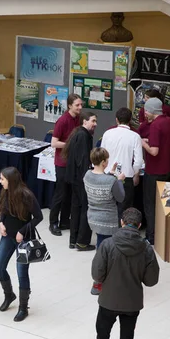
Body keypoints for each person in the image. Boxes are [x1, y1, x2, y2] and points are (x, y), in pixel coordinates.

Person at [81, 208, 159, 339]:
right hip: (132, 304)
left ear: (122, 222)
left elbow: (97, 275)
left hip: (107, 301)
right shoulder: (147, 249)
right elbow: (151, 280)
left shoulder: (108, 244)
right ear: (139, 226)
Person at [0, 167, 43, 322]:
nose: (0, 181)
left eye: (2, 179)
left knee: (22, 273)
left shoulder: (26, 195)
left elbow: (38, 217)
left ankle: (23, 307)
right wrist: (1, 222)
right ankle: (9, 295)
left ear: (11, 180)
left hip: (24, 240)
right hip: (7, 236)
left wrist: (22, 231)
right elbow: (3, 209)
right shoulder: (5, 192)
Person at [141, 98, 170, 245]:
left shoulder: (155, 126)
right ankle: (167, 235)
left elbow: (154, 151)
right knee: (167, 204)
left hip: (153, 171)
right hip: (168, 170)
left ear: (153, 111)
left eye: (147, 110)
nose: (145, 113)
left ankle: (151, 237)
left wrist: (142, 142)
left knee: (150, 205)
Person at [84, 147, 126, 295]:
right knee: (105, 251)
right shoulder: (111, 181)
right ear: (103, 162)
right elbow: (120, 197)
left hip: (93, 218)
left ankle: (102, 278)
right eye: (107, 160)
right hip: (108, 221)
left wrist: (111, 175)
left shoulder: (87, 175)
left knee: (101, 247)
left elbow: (100, 183)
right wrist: (119, 181)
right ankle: (99, 282)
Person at [64, 111, 97, 251]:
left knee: (76, 208)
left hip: (74, 178)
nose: (95, 124)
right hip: (81, 179)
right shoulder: (84, 136)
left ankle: (73, 240)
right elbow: (83, 160)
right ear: (85, 121)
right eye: (93, 121)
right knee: (85, 209)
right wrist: (88, 177)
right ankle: (82, 241)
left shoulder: (78, 134)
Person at [49, 94, 82, 236]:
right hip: (62, 163)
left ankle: (64, 220)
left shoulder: (79, 120)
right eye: (77, 105)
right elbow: (54, 143)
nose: (80, 107)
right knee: (60, 193)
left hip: (73, 162)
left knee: (69, 193)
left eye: (81, 105)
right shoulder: (62, 121)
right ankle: (53, 222)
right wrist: (71, 145)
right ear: (69, 106)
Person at [100, 107, 143, 217]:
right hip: (126, 177)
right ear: (130, 120)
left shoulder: (107, 133)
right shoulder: (135, 136)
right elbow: (138, 161)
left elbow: (101, 155)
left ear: (116, 120)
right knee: (125, 207)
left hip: (108, 174)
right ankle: (121, 231)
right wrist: (134, 173)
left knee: (108, 205)